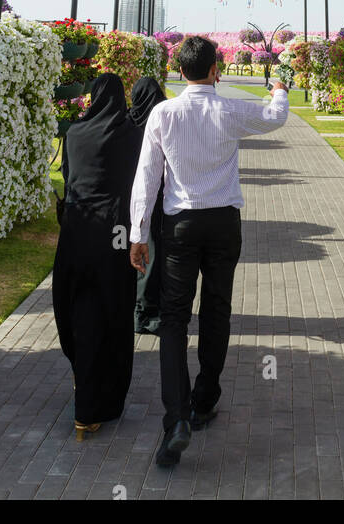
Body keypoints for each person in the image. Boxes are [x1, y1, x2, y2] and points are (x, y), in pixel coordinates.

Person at [130, 35, 289, 469]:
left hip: (179, 225)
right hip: (223, 223)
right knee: (217, 309)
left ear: (180, 71)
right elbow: (275, 117)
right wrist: (278, 88)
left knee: (174, 317)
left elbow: (146, 177)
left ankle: (176, 416)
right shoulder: (230, 108)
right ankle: (204, 399)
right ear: (216, 69)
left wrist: (138, 234)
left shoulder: (164, 112)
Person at [53, 74, 142, 440]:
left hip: (76, 232)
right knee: (113, 314)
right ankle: (100, 400)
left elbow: (69, 179)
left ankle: (84, 385)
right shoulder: (129, 133)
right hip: (114, 235)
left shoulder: (73, 133)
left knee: (76, 307)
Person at [127, 76, 168, 335]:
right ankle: (148, 312)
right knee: (152, 257)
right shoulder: (164, 121)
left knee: (141, 257)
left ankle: (139, 310)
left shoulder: (127, 125)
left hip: (133, 204)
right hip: (159, 201)